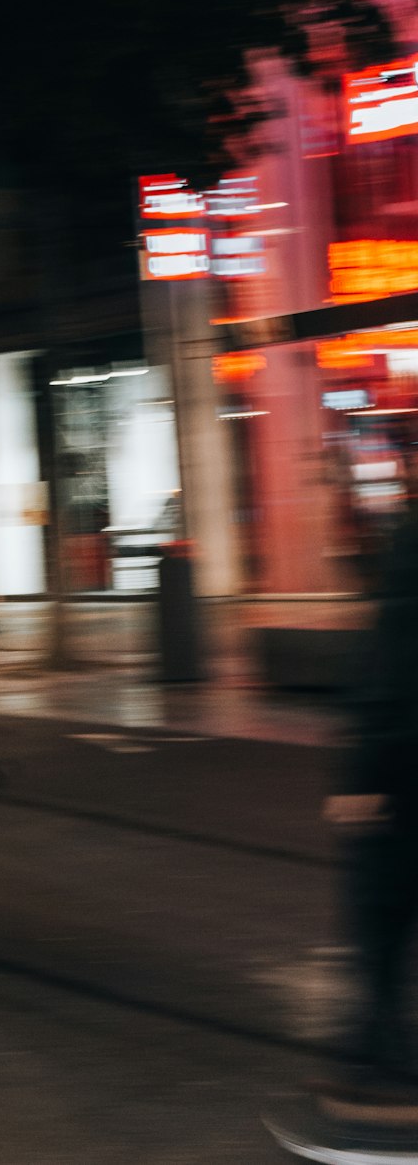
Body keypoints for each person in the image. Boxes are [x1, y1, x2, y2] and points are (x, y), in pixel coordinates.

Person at [317, 469, 418, 1111]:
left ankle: (382, 1067)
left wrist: (362, 777)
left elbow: (392, 668)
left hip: (403, 772)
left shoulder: (408, 543)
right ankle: (370, 1049)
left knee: (378, 912)